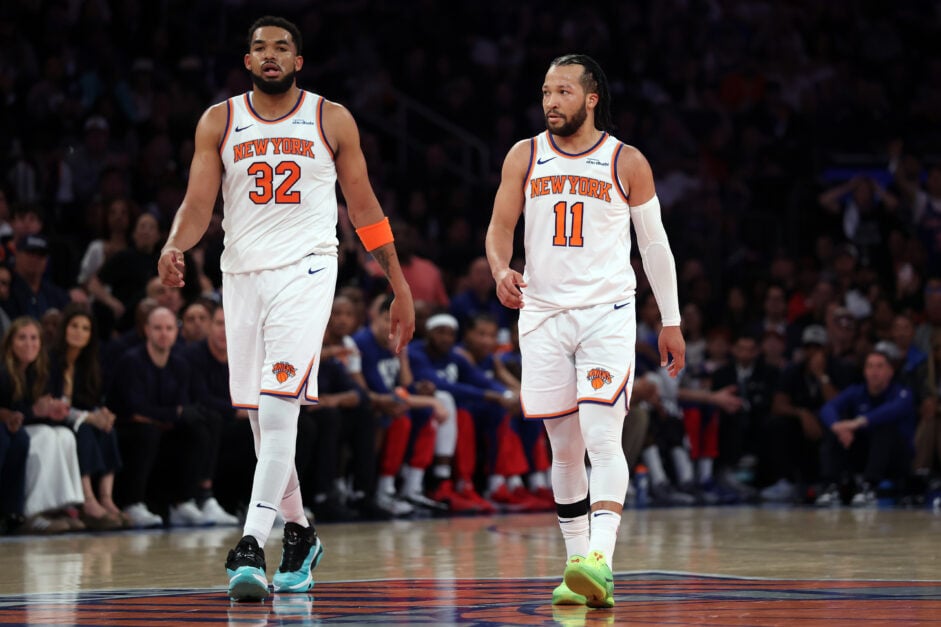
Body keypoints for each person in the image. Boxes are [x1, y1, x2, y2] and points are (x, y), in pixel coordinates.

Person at [156, 16, 414, 602]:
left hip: (309, 269)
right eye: (258, 49)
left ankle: (249, 543)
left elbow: (365, 208)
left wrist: (398, 284)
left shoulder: (330, 118)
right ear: (247, 61)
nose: (269, 56)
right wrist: (175, 244)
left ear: (299, 61)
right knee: (259, 419)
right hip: (242, 275)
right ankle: (299, 533)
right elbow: (198, 205)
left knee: (276, 409)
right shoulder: (219, 121)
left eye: (281, 49)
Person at [485, 54, 685, 609]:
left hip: (606, 313)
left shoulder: (627, 161)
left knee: (603, 436)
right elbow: (500, 228)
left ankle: (601, 558)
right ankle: (577, 566)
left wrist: (670, 319)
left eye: (564, 91)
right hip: (543, 313)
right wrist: (501, 269)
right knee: (564, 448)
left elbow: (656, 247)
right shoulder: (524, 156)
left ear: (591, 98)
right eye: (547, 91)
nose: (552, 101)